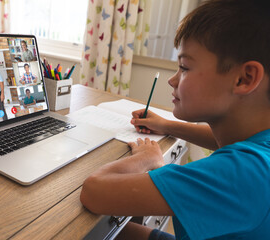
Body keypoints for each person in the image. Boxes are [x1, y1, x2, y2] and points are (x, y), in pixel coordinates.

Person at [80, 0, 270, 239]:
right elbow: (216, 138)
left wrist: (147, 159)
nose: (173, 80)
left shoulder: (244, 173)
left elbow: (93, 191)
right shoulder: (259, 146)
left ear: (244, 78)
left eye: (185, 67)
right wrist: (165, 124)